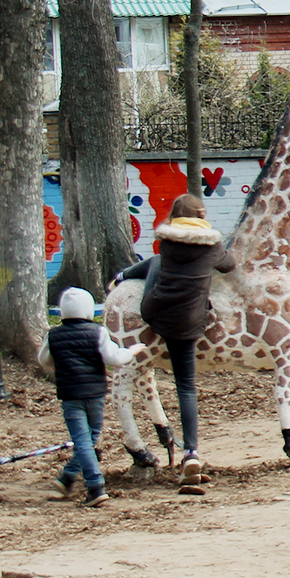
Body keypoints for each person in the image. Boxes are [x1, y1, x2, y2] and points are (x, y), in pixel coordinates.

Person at [113, 192, 236, 489]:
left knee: (156, 262)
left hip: (154, 311)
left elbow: (163, 263)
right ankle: (191, 452)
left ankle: (122, 275)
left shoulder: (166, 244)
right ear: (201, 216)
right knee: (186, 386)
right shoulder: (212, 247)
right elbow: (229, 266)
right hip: (189, 321)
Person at [39, 288, 134, 509]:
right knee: (90, 438)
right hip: (95, 393)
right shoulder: (98, 332)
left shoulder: (53, 335)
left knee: (84, 440)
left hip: (71, 394)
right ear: (90, 310)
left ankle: (87, 483)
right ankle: (80, 481)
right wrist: (132, 351)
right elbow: (113, 358)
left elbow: (44, 360)